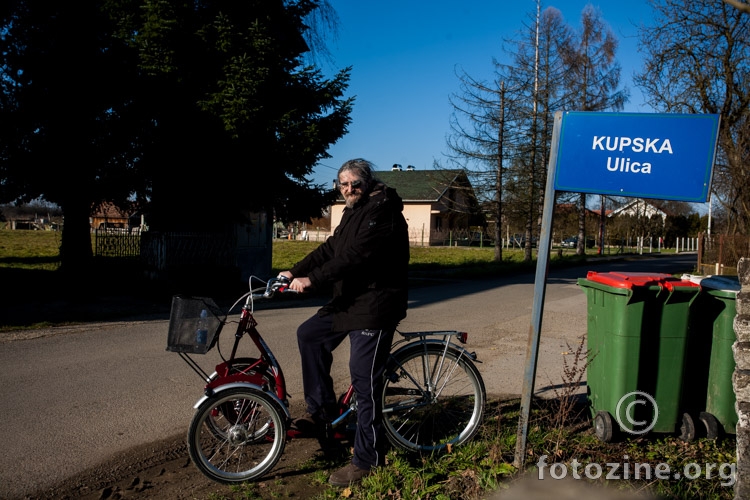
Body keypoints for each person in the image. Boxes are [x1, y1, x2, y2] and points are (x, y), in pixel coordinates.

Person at [279, 158, 409, 486]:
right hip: (350, 301)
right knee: (309, 334)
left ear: (368, 182)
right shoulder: (353, 211)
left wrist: (313, 281)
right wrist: (295, 271)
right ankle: (322, 413)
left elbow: (356, 258)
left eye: (355, 183)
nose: (349, 189)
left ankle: (368, 460)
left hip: (376, 304)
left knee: (363, 382)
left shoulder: (382, 211)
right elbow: (331, 249)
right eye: (343, 184)